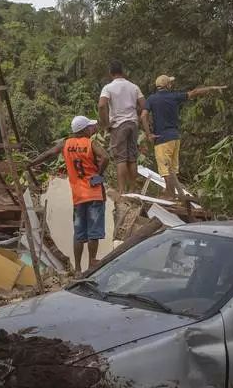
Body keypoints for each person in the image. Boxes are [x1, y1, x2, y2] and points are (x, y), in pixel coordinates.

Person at [29, 116, 110, 273]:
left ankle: (78, 269)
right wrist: (98, 175)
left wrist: (31, 163)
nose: (92, 129)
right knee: (94, 232)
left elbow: (49, 153)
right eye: (90, 127)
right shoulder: (90, 143)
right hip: (94, 194)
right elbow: (105, 157)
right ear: (84, 130)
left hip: (78, 196)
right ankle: (92, 264)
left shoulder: (66, 144)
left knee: (79, 233)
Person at [142, 74, 226, 196]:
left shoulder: (152, 99)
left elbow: (143, 115)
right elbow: (195, 92)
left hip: (162, 139)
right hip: (175, 138)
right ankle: (174, 195)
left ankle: (170, 196)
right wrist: (212, 88)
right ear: (168, 85)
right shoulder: (174, 96)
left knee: (166, 171)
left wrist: (149, 134)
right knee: (172, 171)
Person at [97, 61, 146, 196]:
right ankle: (133, 190)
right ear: (122, 71)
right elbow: (144, 104)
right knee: (132, 158)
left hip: (118, 125)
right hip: (133, 124)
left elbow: (101, 105)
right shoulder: (133, 87)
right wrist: (137, 115)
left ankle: (122, 191)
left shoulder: (108, 88)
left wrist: (106, 124)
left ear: (111, 73)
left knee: (121, 158)